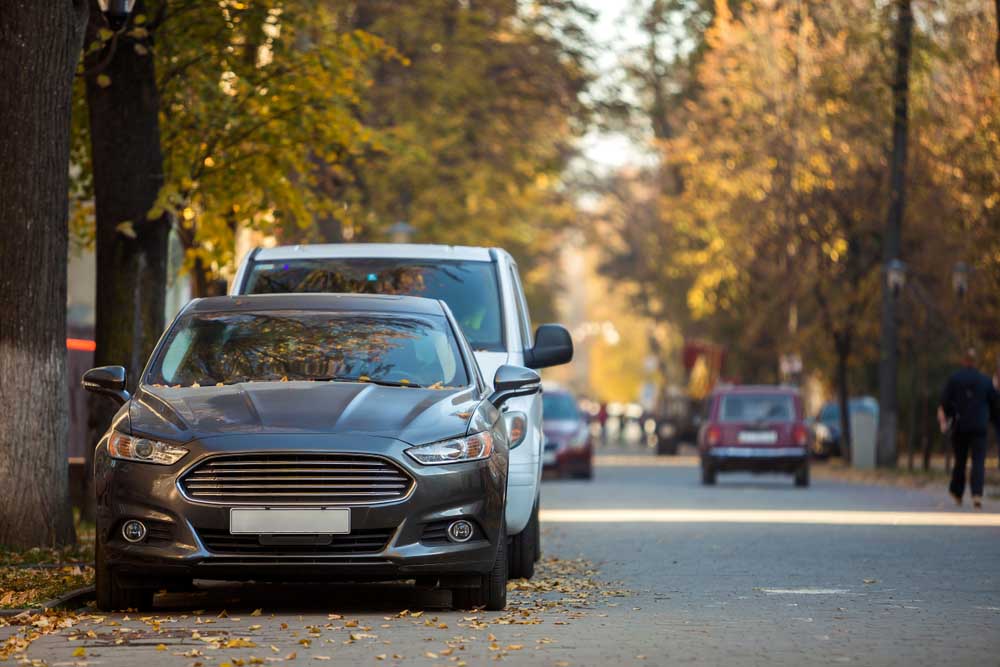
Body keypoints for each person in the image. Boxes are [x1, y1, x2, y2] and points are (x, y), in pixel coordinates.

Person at [939, 347, 1000, 509]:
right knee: (978, 461)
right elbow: (994, 404)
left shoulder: (955, 379)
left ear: (964, 360)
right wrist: (994, 422)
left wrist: (948, 417)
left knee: (960, 460)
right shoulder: (985, 381)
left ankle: (957, 492)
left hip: (960, 426)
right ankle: (977, 494)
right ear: (976, 361)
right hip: (979, 426)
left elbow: (945, 401)